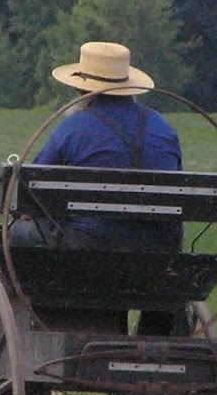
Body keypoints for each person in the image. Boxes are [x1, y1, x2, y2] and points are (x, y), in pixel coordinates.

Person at [13, 41, 182, 252]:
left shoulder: (74, 127)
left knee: (20, 230)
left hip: (88, 243)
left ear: (79, 89)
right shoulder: (162, 127)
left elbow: (32, 192)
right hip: (160, 247)